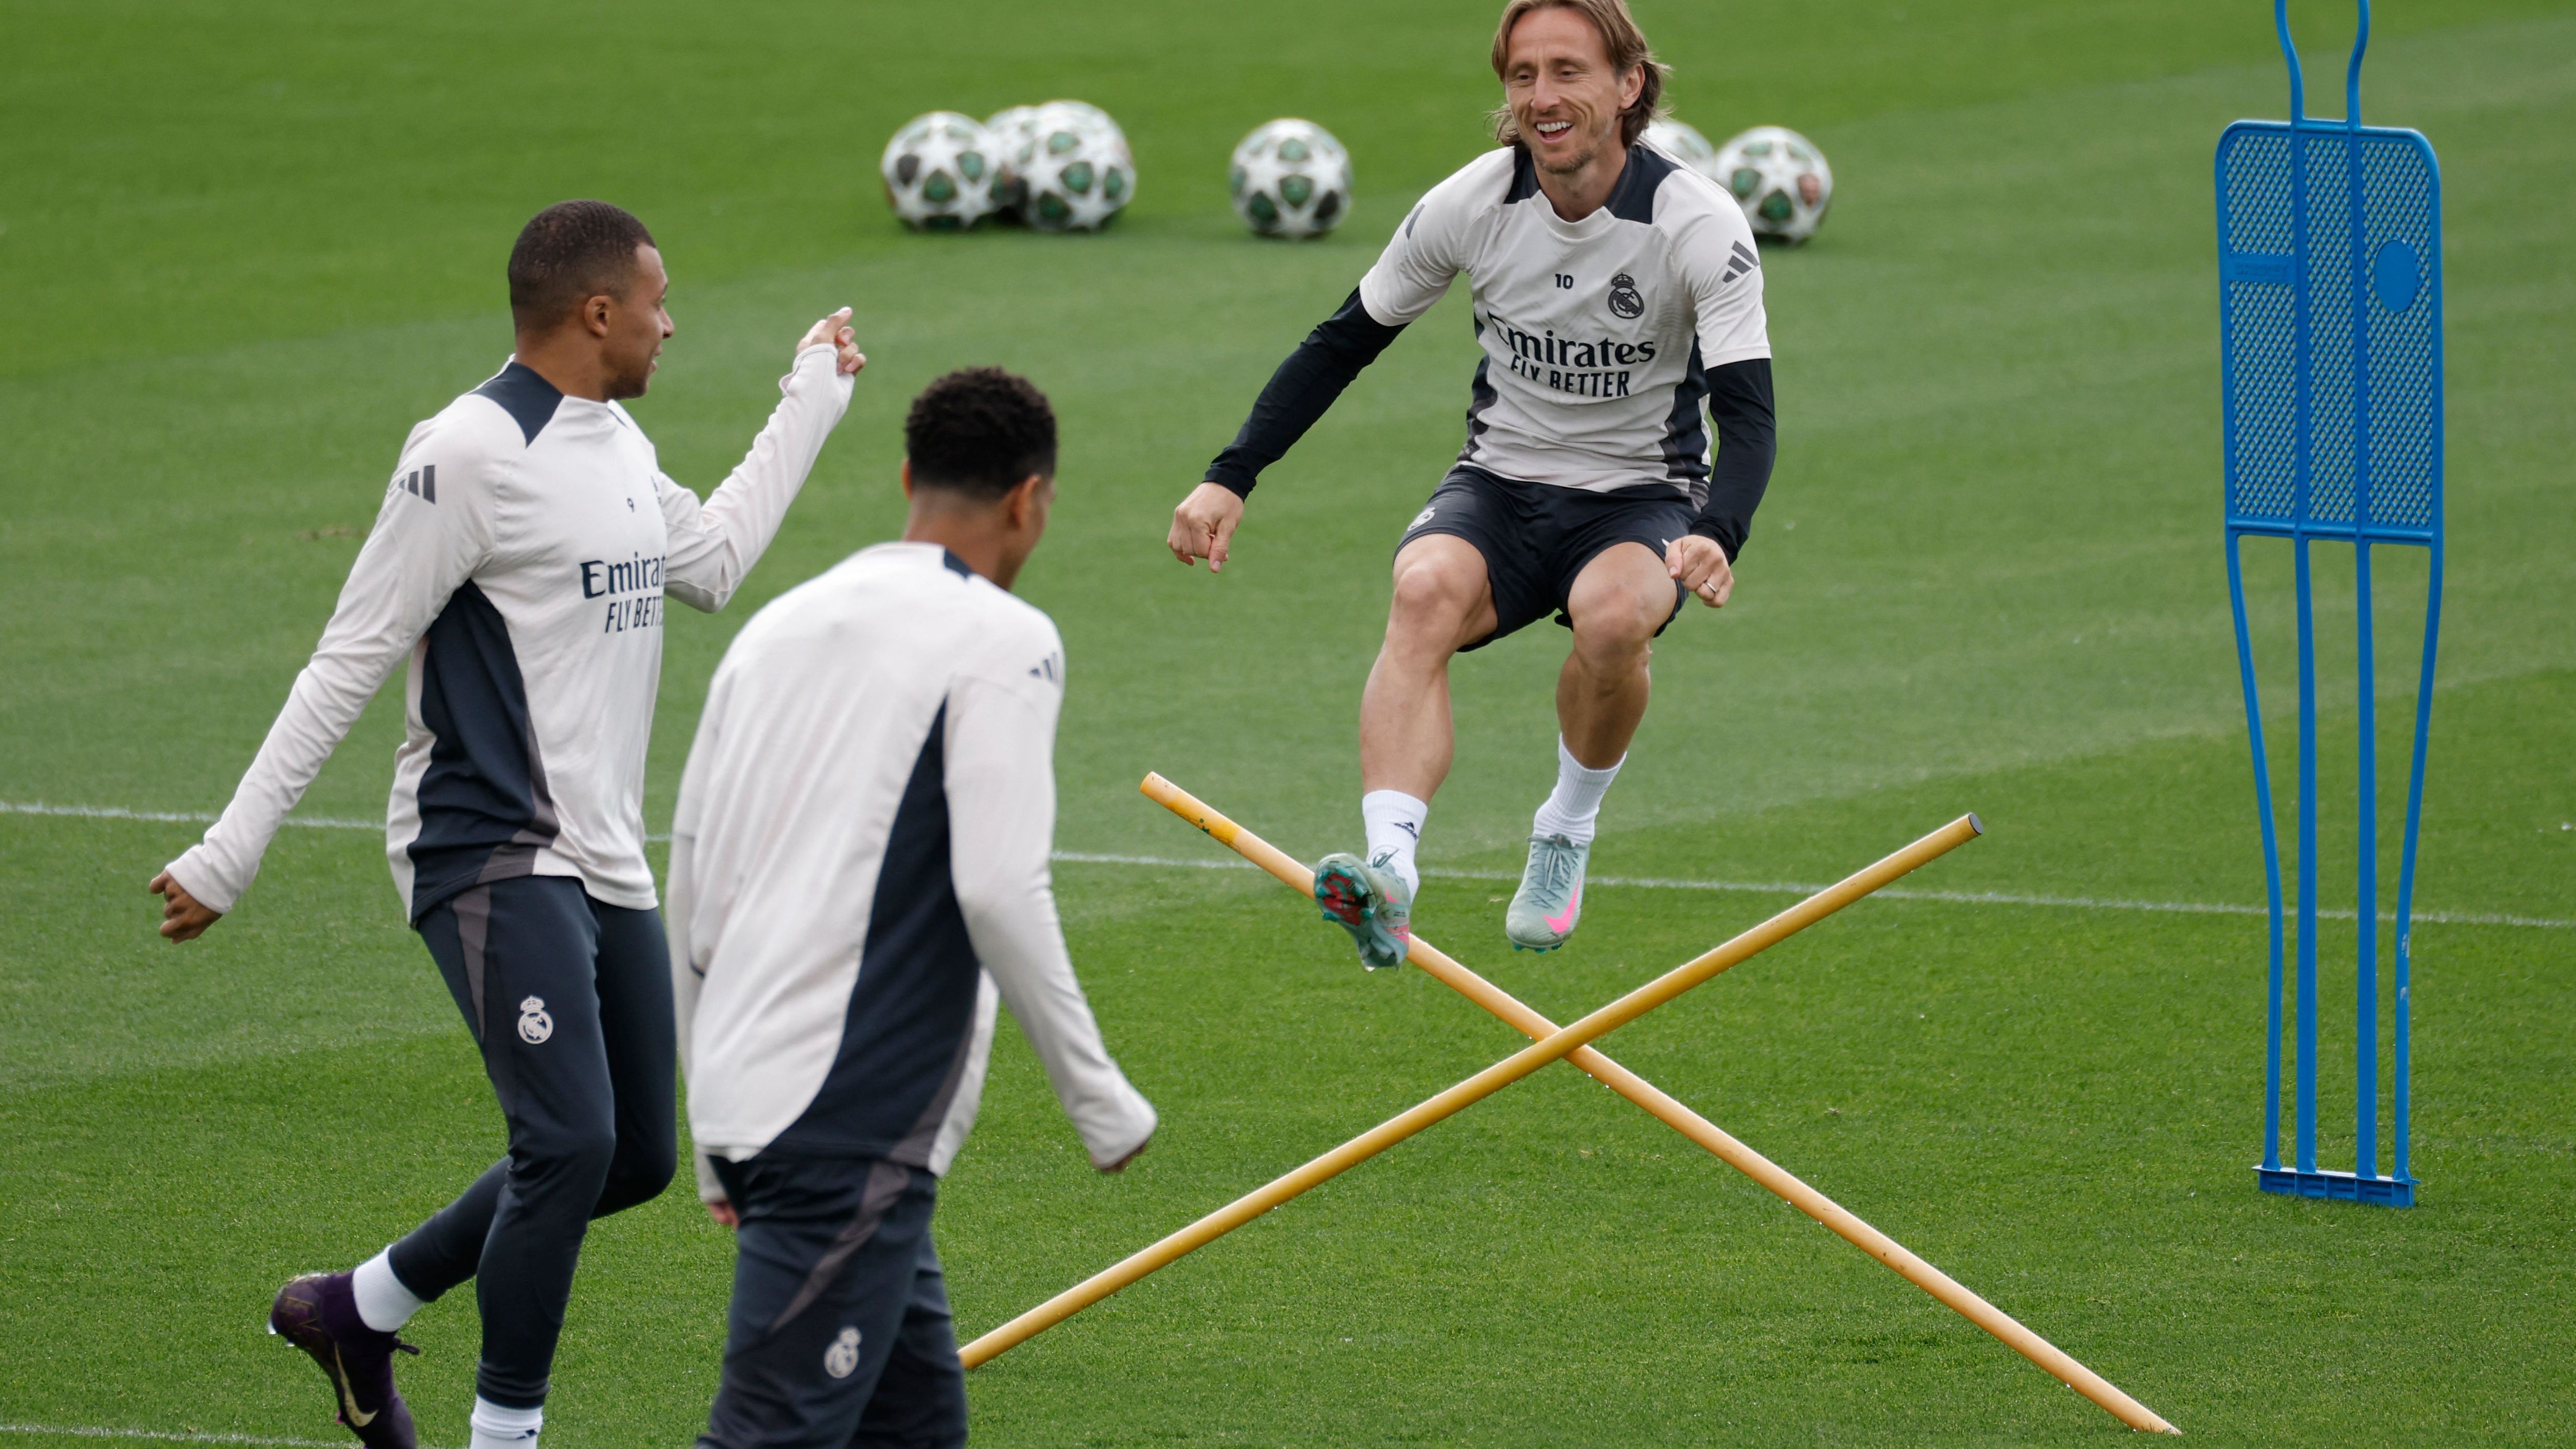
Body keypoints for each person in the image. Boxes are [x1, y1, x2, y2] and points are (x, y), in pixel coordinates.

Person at [146, 199, 866, 1449]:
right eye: (657, 301)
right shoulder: (467, 451)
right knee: (567, 1139)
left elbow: (711, 565)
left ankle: (356, 1308)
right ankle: (505, 1438)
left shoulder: (615, 443)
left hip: (604, 854)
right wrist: (229, 849)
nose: (669, 322)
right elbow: (350, 655)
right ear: (598, 312)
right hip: (485, 844)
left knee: (636, 1151)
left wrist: (810, 396)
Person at [1165, 0, 1777, 967]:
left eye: (1569, 71)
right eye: (1524, 74)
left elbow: (1747, 410)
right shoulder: (1472, 204)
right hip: (1499, 480)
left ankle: (1565, 833)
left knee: (1615, 621)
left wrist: (1722, 532)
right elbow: (1343, 343)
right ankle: (1389, 875)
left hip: (1640, 494)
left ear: (1628, 86)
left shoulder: (1693, 222)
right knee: (1422, 592)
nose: (1544, 96)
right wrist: (1229, 477)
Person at [668, 367, 1155, 1448]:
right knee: (769, 1437)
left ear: (905, 477)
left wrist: (712, 1128)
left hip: (767, 1097)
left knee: (917, 1430)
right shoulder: (1007, 640)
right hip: (849, 1115)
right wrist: (1099, 1100)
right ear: (1031, 499)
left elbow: (690, 887)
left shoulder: (773, 630)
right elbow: (998, 885)